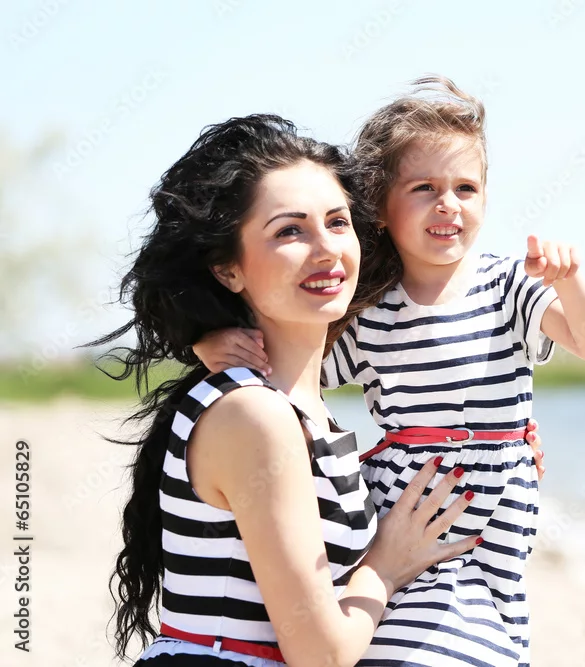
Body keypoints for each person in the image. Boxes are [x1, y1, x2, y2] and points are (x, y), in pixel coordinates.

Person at [192, 76, 585, 666]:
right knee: (416, 631)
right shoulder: (368, 311)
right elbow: (292, 375)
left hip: (501, 495)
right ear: (380, 211)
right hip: (407, 497)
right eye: (424, 188)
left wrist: (571, 282)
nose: (449, 204)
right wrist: (210, 342)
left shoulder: (506, 285)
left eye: (466, 188)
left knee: (498, 622)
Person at [91, 115, 508, 667]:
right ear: (228, 269)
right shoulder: (252, 413)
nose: (327, 249)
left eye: (338, 222)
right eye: (290, 231)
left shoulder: (297, 411)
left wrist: (503, 445)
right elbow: (320, 654)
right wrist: (384, 565)